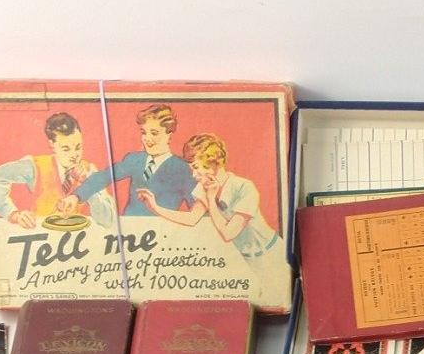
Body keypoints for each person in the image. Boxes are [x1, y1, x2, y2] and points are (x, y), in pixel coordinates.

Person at [147, 132, 279, 257]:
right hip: (246, 257)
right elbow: (192, 218)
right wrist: (156, 208)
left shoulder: (244, 187)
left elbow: (228, 234)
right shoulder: (203, 187)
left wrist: (211, 199)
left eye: (196, 167)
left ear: (212, 162)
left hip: (271, 251)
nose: (194, 175)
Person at [74, 102, 196, 218]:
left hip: (163, 229)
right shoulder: (134, 159)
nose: (147, 138)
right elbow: (104, 176)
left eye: (154, 133)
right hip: (130, 228)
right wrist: (76, 197)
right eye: (144, 132)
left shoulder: (183, 168)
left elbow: (197, 210)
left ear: (169, 135)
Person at [0, 111, 105, 228]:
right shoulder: (36, 167)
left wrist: (88, 183)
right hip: (41, 235)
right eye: (66, 149)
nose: (74, 155)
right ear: (52, 145)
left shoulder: (89, 171)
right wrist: (13, 214)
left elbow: (108, 219)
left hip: (80, 236)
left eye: (78, 147)